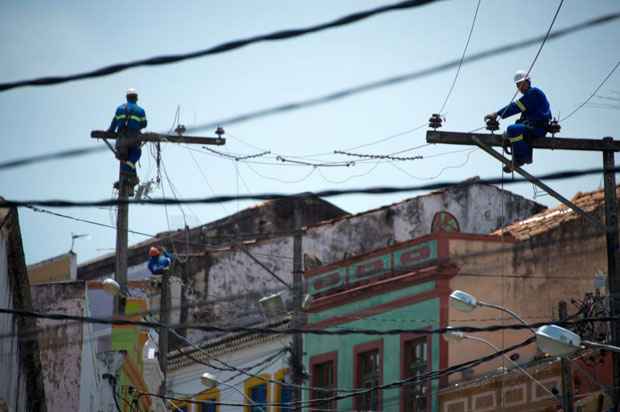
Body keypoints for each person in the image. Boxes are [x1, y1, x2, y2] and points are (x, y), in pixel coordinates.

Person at [485, 70, 552, 173]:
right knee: (515, 129)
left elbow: (516, 106)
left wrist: (497, 114)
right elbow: (522, 116)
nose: (519, 87)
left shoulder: (534, 93)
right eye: (518, 85)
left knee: (512, 129)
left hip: (538, 128)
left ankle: (520, 159)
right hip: (533, 127)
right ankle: (519, 157)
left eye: (521, 84)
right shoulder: (529, 97)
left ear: (528, 82)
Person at [108, 88, 147, 186]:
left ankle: (126, 181)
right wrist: (135, 126)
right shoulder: (140, 110)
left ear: (127, 98)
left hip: (121, 139)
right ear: (136, 98)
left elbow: (113, 124)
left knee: (124, 157)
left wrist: (109, 132)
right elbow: (144, 124)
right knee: (136, 153)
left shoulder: (119, 109)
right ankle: (127, 174)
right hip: (133, 138)